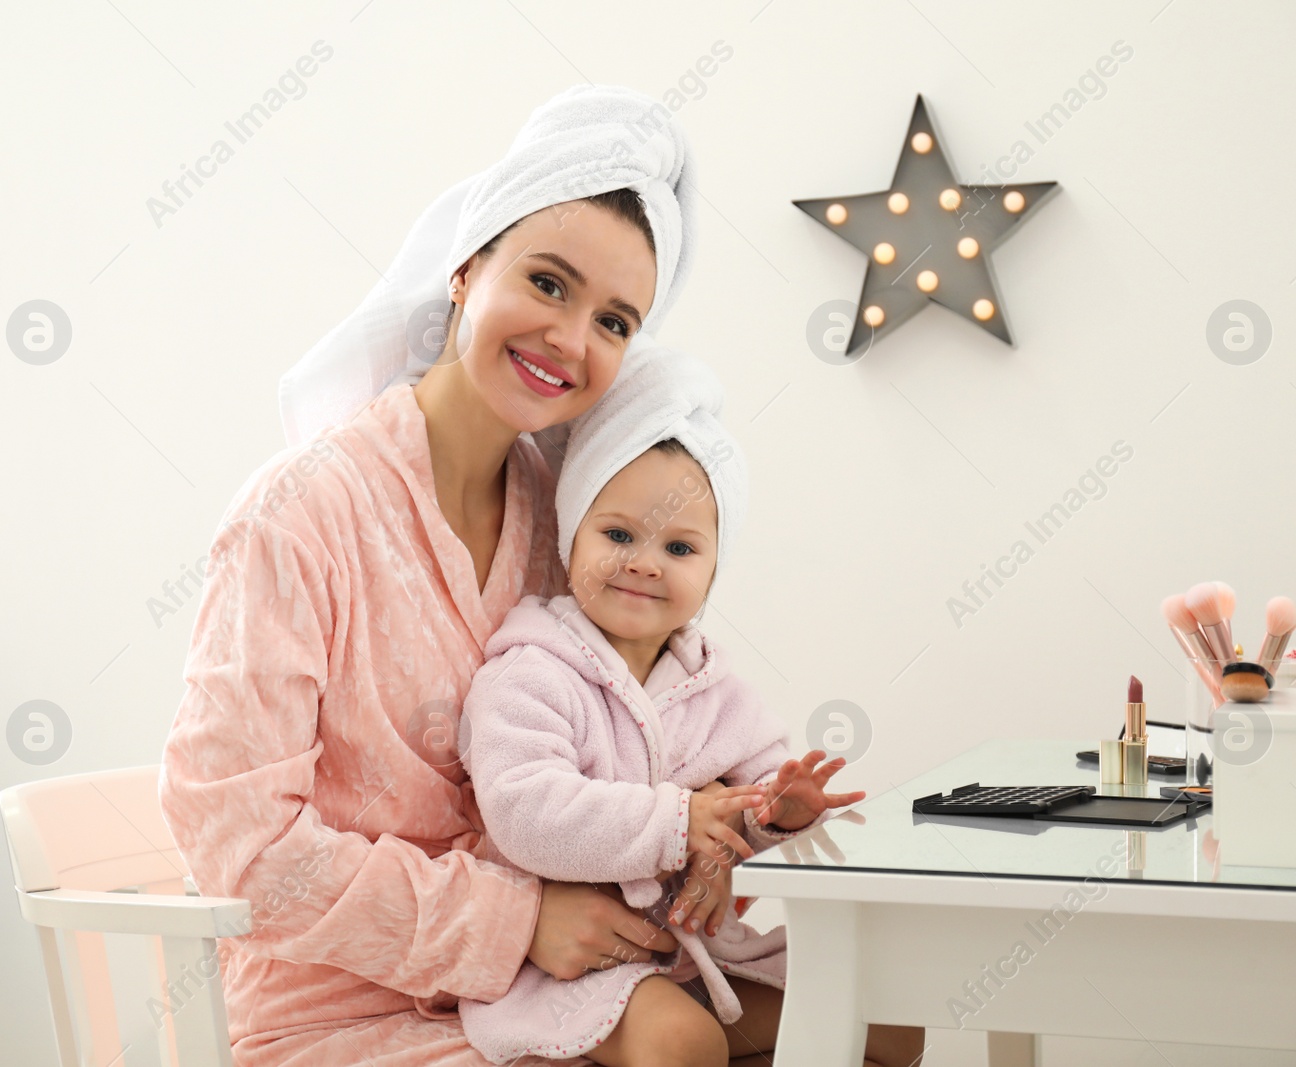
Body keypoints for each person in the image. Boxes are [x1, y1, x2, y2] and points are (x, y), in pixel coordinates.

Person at [158, 85, 703, 1067]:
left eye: (615, 320)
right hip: (334, 1017)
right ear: (464, 268)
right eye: (547, 283)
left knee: (867, 1015)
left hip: (544, 991)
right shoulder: (300, 513)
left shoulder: (569, 525)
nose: (572, 339)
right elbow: (237, 841)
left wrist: (717, 824)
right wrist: (512, 919)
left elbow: (638, 726)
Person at [455, 343, 925, 1067]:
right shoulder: (530, 675)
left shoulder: (716, 688)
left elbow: (753, 799)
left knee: (885, 1016)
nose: (644, 560)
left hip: (696, 956)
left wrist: (782, 813)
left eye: (679, 547)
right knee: (684, 1039)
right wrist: (681, 821)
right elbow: (525, 813)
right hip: (575, 969)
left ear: (712, 572)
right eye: (617, 534)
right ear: (571, 535)